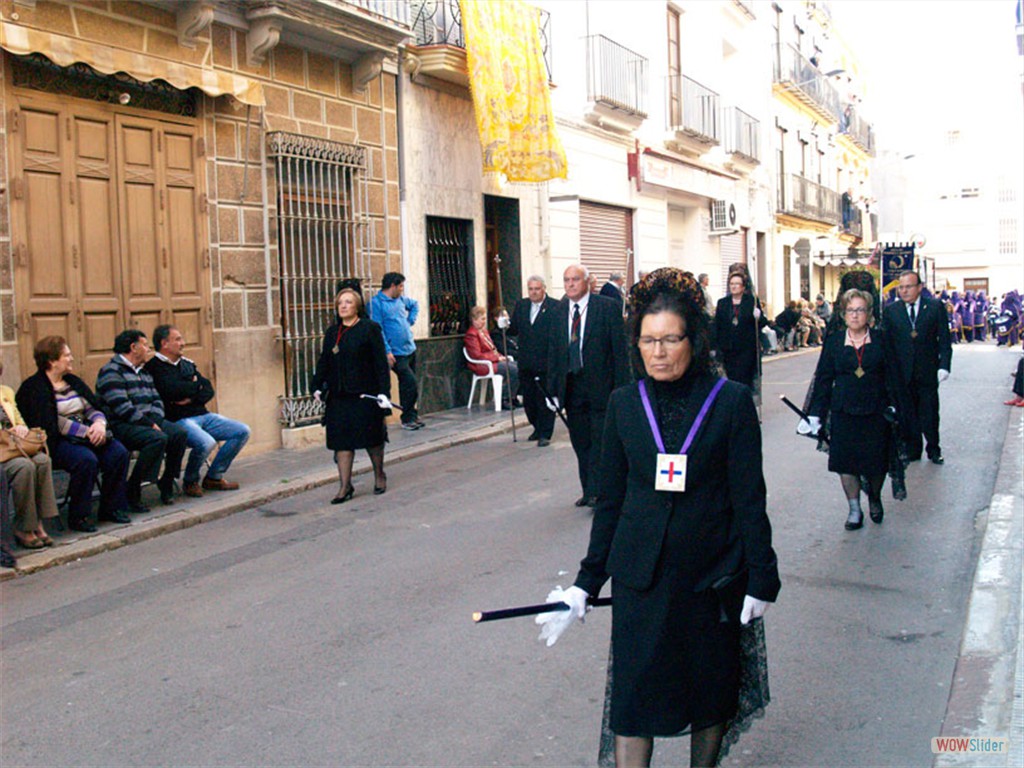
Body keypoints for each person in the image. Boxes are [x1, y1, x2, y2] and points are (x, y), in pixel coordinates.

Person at [536, 268, 780, 767]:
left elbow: (749, 499)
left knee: (709, 696)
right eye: (648, 340)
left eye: (671, 338)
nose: (659, 352)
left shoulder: (729, 402)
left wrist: (762, 577)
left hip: (711, 579)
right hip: (640, 582)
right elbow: (611, 501)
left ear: (694, 338)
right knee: (633, 704)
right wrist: (585, 583)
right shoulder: (625, 404)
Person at [804, 290, 910, 530]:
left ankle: (873, 495)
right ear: (843, 314)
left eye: (860, 310)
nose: (855, 315)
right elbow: (823, 378)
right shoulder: (834, 342)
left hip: (876, 412)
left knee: (876, 464)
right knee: (845, 463)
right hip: (843, 411)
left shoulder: (881, 340)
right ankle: (854, 509)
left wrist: (897, 406)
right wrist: (815, 414)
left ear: (869, 314)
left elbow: (893, 375)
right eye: (851, 310)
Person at [16, 336, 131, 532]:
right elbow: (50, 422)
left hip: (88, 433)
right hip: (58, 441)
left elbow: (91, 406)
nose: (71, 359)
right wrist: (87, 432)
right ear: (52, 361)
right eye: (67, 355)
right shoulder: (34, 388)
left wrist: (99, 424)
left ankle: (111, 508)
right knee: (86, 460)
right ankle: (79, 515)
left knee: (118, 452)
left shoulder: (73, 381)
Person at [546, 264, 629, 507]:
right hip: (572, 387)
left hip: (601, 387)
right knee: (581, 440)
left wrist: (622, 389)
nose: (570, 284)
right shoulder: (559, 311)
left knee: (601, 442)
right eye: (566, 280)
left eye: (575, 280)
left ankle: (602, 493)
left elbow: (619, 352)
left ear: (587, 282)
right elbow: (554, 352)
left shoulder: (606, 308)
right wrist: (552, 391)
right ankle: (589, 489)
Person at [146, 325, 251, 498]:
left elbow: (208, 389)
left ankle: (214, 476)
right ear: (164, 343)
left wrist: (191, 396)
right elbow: (170, 391)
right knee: (206, 442)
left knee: (242, 431)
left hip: (203, 415)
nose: (183, 343)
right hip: (178, 419)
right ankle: (190, 480)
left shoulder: (187, 364)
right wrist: (195, 385)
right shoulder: (154, 368)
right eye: (178, 339)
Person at [312, 288, 391, 503]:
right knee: (341, 442)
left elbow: (380, 364)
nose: (343, 306)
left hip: (365, 395)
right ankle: (345, 486)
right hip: (339, 396)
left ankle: (379, 475)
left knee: (371, 438)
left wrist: (384, 393)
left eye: (348, 302)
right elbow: (324, 361)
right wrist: (317, 385)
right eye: (340, 303)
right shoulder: (332, 332)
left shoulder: (369, 329)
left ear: (357, 306)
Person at [96, 329, 189, 510]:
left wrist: (155, 418)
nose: (148, 349)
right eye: (145, 345)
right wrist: (150, 424)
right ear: (134, 347)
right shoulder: (111, 371)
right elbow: (121, 407)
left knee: (178, 434)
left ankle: (167, 481)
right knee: (157, 438)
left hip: (148, 420)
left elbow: (156, 399)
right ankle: (133, 487)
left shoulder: (144, 372)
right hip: (122, 424)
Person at [882, 271, 953, 464]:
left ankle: (934, 449)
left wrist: (944, 365)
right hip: (902, 373)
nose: (904, 291)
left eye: (908, 287)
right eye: (901, 287)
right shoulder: (891, 311)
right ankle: (911, 449)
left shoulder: (935, 307)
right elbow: (886, 344)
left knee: (929, 412)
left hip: (927, 370)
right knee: (906, 412)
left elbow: (945, 340)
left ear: (919, 287)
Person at [1, 357, 59, 548]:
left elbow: (19, 419)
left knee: (42, 460)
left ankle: (39, 523)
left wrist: (21, 429)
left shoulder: (6, 392)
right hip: (3, 452)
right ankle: (24, 527)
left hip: (16, 445)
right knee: (24, 467)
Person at [370, 272, 424, 431]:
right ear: (392, 286)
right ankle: (407, 417)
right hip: (395, 352)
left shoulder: (400, 300)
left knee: (408, 385)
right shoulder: (377, 304)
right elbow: (378, 329)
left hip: (409, 348)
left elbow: (414, 304)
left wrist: (410, 321)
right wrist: (387, 351)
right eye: (400, 286)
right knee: (410, 382)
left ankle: (411, 415)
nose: (402, 289)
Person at [508, 275, 558, 446]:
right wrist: (503, 325)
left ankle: (545, 433)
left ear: (544, 289)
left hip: (546, 361)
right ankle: (536, 427)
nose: (534, 292)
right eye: (531, 289)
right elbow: (513, 329)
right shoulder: (521, 306)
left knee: (545, 399)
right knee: (529, 400)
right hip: (527, 361)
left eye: (537, 289)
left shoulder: (555, 307)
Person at [714, 271, 766, 389]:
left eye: (737, 284)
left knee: (744, 380)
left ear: (743, 287)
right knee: (731, 380)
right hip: (728, 349)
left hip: (746, 349)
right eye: (731, 283)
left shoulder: (751, 301)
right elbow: (717, 325)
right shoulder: (722, 303)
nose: (734, 286)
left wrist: (758, 316)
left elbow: (761, 323)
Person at [464, 306, 519, 408]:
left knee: (520, 366)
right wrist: (496, 358)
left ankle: (512, 397)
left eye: (485, 319)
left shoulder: (484, 332)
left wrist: (501, 356)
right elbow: (477, 355)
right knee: (514, 370)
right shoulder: (472, 335)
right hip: (483, 365)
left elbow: (493, 349)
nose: (484, 322)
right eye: (482, 319)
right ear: (474, 320)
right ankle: (504, 398)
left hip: (493, 362)